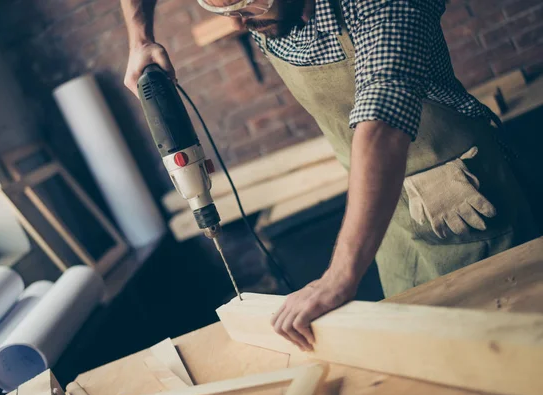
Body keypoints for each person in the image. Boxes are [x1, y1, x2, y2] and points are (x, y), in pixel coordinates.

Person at [120, 0, 537, 352]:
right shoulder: (263, 8)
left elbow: (383, 124)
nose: (239, 21)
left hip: (465, 201)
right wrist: (140, 38)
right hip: (384, 217)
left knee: (502, 348)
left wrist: (338, 278)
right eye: (221, 7)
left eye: (248, 3)